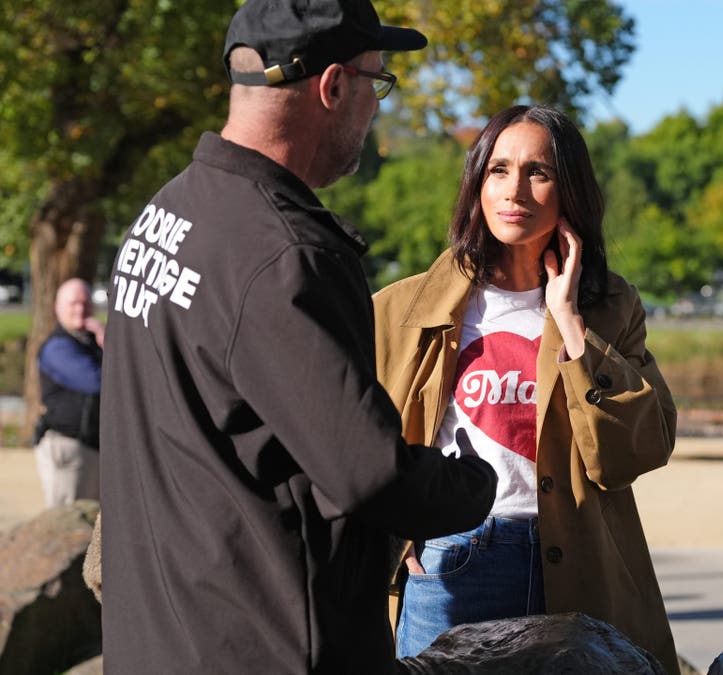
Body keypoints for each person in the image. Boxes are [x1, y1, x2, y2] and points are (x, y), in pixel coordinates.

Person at [98, 0, 498, 672]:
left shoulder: (170, 211)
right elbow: (371, 475)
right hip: (266, 642)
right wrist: (477, 482)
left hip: (160, 637)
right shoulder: (285, 254)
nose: (376, 106)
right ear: (333, 85)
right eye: (378, 81)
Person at [373, 104, 679, 672]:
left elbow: (635, 452)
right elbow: (358, 443)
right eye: (497, 170)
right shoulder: (400, 309)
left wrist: (569, 322)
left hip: (579, 558)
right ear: (475, 184)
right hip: (452, 561)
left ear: (571, 192)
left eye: (539, 172)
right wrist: (393, 529)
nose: (514, 189)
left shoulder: (611, 307)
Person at [34, 278, 103, 506]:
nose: (80, 309)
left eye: (85, 303)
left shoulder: (87, 343)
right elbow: (97, 381)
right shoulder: (58, 347)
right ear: (57, 307)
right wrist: (107, 343)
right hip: (69, 450)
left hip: (90, 448)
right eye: (73, 303)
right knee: (71, 528)